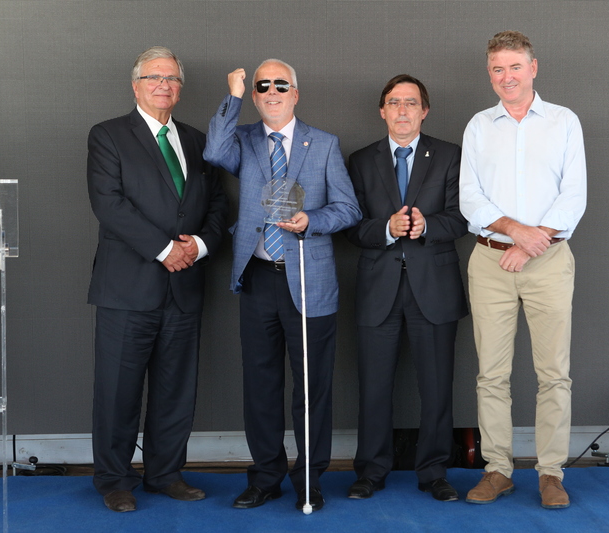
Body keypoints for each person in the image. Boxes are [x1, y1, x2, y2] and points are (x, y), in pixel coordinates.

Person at [204, 59, 361, 512]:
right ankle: (265, 477)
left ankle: (309, 480)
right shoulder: (244, 139)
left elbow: (348, 209)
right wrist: (233, 96)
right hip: (257, 278)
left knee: (311, 388)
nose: (271, 92)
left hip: (309, 280)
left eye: (280, 85)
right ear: (255, 96)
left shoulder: (324, 143)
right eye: (262, 86)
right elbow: (213, 151)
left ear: (295, 93)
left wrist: (312, 220)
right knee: (261, 385)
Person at [87, 46, 228, 513]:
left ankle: (165, 473)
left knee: (175, 390)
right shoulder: (108, 135)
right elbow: (109, 204)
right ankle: (114, 479)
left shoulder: (197, 141)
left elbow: (217, 205)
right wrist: (166, 250)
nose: (163, 85)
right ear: (136, 85)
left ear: (180, 89)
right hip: (127, 287)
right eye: (153, 77)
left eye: (171, 78)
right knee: (118, 392)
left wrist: (199, 246)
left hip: (184, 287)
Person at [459, 30, 586, 509]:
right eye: (498, 69)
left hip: (549, 259)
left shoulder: (563, 121)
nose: (506, 76)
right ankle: (498, 469)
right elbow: (469, 196)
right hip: (490, 260)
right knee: (491, 374)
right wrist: (515, 232)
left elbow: (574, 194)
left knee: (554, 373)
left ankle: (551, 473)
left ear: (533, 68)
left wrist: (533, 244)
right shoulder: (479, 126)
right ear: (489, 73)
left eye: (515, 67)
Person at [345, 75, 468, 502]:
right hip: (377, 288)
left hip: (434, 287)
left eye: (411, 103)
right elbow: (350, 225)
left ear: (424, 111)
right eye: (394, 102)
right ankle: (371, 471)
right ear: (382, 111)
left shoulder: (450, 155)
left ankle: (434, 472)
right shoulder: (361, 160)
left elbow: (464, 217)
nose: (402, 110)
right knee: (373, 387)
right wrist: (385, 228)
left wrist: (427, 225)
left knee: (436, 387)